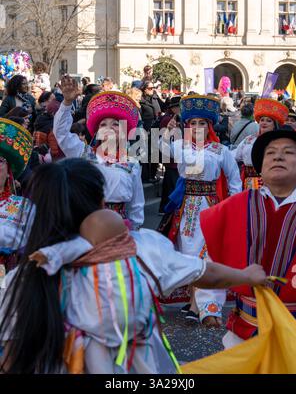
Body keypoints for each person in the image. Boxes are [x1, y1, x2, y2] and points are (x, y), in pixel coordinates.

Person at [0, 158, 267, 374]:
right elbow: (206, 273)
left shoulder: (25, 275)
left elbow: (10, 359)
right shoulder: (141, 249)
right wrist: (246, 275)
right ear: (101, 202)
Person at [196, 128, 296, 349]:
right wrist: (210, 303)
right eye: (270, 153)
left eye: (288, 152)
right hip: (244, 332)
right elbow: (212, 258)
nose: (278, 156)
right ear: (260, 167)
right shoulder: (234, 207)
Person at [161, 94, 242, 324]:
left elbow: (234, 180)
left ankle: (206, 308)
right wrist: (169, 131)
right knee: (187, 253)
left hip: (210, 206)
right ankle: (195, 302)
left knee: (208, 254)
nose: (197, 127)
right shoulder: (180, 146)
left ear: (209, 126)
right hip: (187, 208)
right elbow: (162, 149)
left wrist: (231, 207)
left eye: (202, 123)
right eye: (192, 123)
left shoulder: (220, 151)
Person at [53, 78, 144, 230]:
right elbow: (61, 134)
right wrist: (66, 104)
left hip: (119, 229)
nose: (109, 128)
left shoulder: (132, 164)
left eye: (115, 124)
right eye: (103, 124)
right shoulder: (84, 155)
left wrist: (134, 234)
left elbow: (136, 206)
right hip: (87, 227)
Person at [233, 98, 289, 189]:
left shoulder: (279, 142)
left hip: (272, 182)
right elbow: (235, 156)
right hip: (250, 183)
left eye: (268, 121)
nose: (264, 123)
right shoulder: (249, 140)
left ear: (274, 125)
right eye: (262, 120)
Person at [0, 118, 33, 272]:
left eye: (0, 161)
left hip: (8, 279)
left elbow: (29, 239)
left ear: (9, 172)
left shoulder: (23, 206)